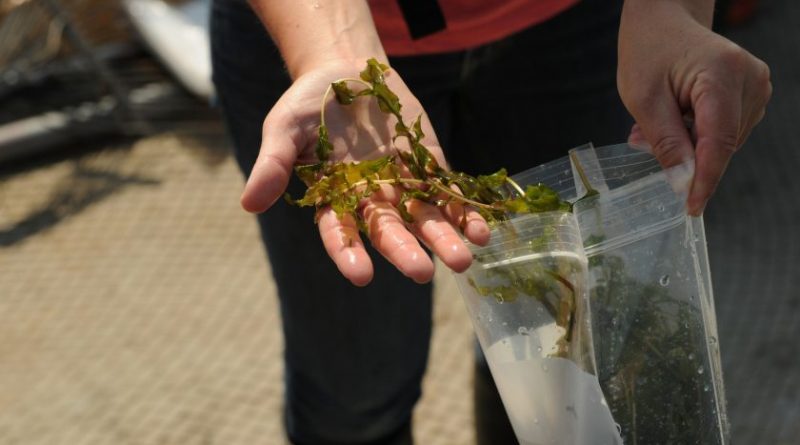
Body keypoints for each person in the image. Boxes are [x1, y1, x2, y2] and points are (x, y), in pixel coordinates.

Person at [210, 1, 771, 443]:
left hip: (568, 28)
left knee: (552, 357)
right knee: (354, 390)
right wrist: (333, 51)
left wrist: (671, 10)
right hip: (310, 27)